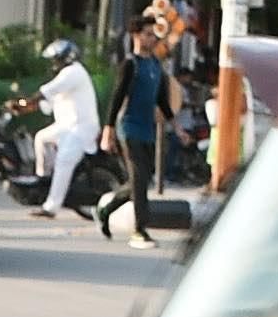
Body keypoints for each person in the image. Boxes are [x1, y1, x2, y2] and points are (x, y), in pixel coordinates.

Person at [102, 17, 172, 240]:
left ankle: (107, 208)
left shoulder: (155, 65)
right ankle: (140, 229)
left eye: (154, 35)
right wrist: (109, 128)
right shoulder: (130, 64)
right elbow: (117, 97)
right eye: (148, 34)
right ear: (136, 36)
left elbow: (161, 100)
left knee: (142, 178)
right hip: (129, 128)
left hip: (148, 130)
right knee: (139, 178)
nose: (152, 38)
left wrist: (176, 126)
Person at [26, 36, 98, 218]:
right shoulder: (65, 77)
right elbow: (46, 104)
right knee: (41, 138)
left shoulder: (74, 73)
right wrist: (21, 106)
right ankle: (44, 178)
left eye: (55, 59)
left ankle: (51, 207)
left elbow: (45, 92)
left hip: (80, 128)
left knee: (63, 162)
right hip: (66, 127)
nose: (53, 64)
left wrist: (28, 100)